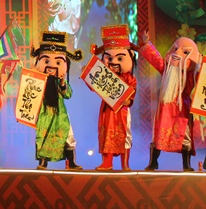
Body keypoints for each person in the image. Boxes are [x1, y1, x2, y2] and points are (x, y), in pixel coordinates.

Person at [138, 30, 203, 171]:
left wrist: (201, 63)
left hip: (182, 109)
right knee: (159, 134)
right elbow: (155, 59)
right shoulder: (166, 69)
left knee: (184, 135)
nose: (177, 53)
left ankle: (186, 165)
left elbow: (202, 80)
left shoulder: (192, 74)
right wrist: (147, 44)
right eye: (175, 49)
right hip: (165, 109)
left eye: (185, 52)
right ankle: (153, 162)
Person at [32, 31, 84, 170]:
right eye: (46, 61)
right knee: (43, 136)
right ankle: (43, 162)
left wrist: (62, 81)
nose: (51, 66)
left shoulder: (60, 82)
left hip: (61, 114)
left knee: (67, 135)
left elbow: (68, 95)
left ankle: (71, 162)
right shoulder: (39, 80)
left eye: (58, 62)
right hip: (44, 113)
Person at [91, 24, 138, 171]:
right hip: (107, 110)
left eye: (119, 58)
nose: (114, 61)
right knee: (106, 133)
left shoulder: (129, 77)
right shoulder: (105, 75)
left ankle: (125, 164)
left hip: (122, 111)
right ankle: (107, 162)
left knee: (125, 134)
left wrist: (128, 100)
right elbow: (93, 85)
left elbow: (132, 91)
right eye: (109, 57)